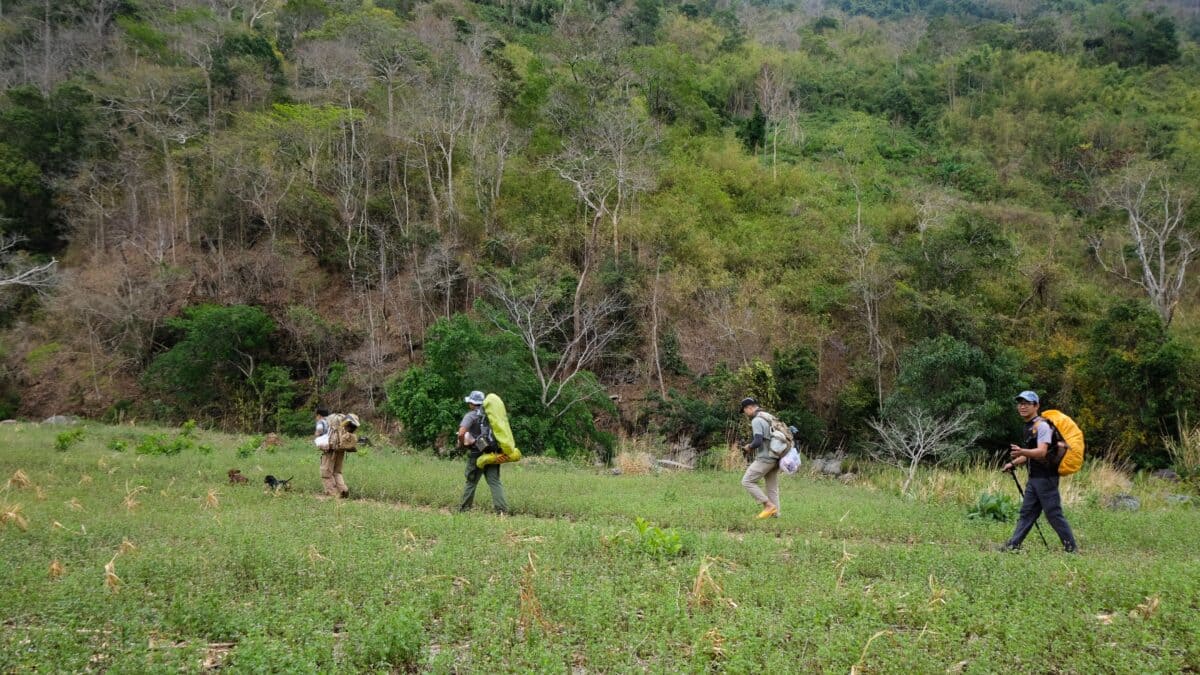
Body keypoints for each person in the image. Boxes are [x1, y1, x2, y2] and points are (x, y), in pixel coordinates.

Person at [1001, 391, 1077, 553]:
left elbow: (1041, 452)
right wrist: (1013, 463)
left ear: (1036, 406)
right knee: (1027, 513)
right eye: (1020, 403)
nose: (1022, 406)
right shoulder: (1029, 426)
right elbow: (1031, 454)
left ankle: (1071, 548)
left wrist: (1021, 451)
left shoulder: (1041, 426)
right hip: (1035, 478)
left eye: (1027, 403)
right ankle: (1013, 545)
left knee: (1053, 514)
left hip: (1046, 478)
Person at [457, 390, 509, 514]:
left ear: (472, 404)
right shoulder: (492, 416)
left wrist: (462, 444)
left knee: (471, 481)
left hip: (477, 453)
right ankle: (502, 511)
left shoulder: (471, 415)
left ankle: (464, 510)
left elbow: (462, 432)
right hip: (492, 452)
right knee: (494, 482)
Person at [739, 397, 782, 520]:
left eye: (744, 410)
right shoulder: (767, 416)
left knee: (747, 481)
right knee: (772, 487)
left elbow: (758, 441)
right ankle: (775, 515)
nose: (745, 413)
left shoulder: (757, 420)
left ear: (750, 407)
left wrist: (748, 447)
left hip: (766, 458)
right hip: (776, 457)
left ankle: (768, 505)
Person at [316, 406, 350, 499]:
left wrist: (321, 447)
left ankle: (333, 494)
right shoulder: (340, 421)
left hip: (330, 451)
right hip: (341, 450)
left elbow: (321, 440)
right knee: (337, 472)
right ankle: (344, 490)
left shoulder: (324, 423)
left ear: (319, 415)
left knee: (326, 473)